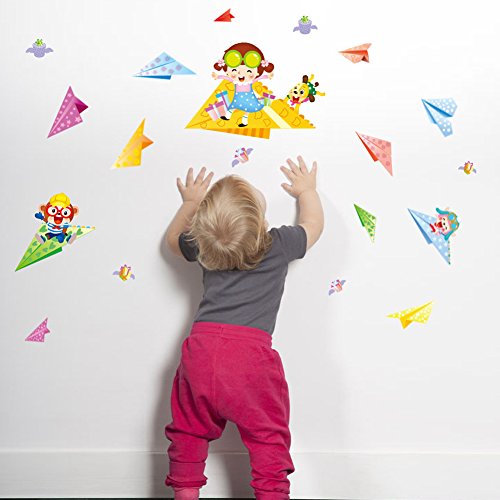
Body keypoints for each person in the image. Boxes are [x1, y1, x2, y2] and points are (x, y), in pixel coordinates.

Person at [164, 156, 324, 500]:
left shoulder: (202, 245)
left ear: (204, 227)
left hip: (200, 350)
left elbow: (173, 240)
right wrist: (307, 192)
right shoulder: (277, 244)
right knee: (267, 436)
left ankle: (185, 493)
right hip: (249, 359)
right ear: (262, 223)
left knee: (189, 429)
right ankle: (272, 494)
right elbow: (312, 225)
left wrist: (190, 203)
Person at [212, 42, 274, 127]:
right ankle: (227, 116)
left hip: (249, 98)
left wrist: (267, 76)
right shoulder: (235, 81)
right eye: (234, 70)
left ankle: (244, 122)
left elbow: (259, 78)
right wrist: (218, 76)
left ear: (257, 72)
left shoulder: (250, 81)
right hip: (237, 98)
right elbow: (226, 78)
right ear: (227, 71)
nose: (241, 75)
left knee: (247, 110)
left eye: (249, 71)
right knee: (233, 106)